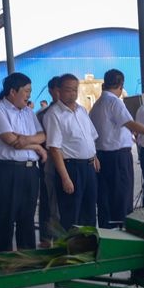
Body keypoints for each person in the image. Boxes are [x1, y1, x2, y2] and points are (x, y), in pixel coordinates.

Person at [89, 69, 144, 228]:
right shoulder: (114, 101)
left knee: (106, 198)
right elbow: (130, 123)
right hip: (117, 157)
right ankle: (121, 231)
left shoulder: (97, 103)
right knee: (121, 197)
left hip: (102, 155)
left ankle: (108, 230)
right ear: (121, 84)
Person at [0, 72, 46, 252]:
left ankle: (25, 260)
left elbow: (42, 136)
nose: (29, 95)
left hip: (29, 171)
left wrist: (29, 142)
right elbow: (11, 140)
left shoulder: (28, 112)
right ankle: (3, 262)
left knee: (26, 218)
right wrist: (36, 147)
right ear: (13, 91)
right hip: (7, 171)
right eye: (26, 91)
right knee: (6, 218)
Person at [43, 74, 100, 230]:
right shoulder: (54, 114)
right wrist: (65, 178)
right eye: (68, 90)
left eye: (75, 90)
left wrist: (94, 156)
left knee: (89, 211)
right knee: (71, 214)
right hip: (71, 168)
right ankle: (71, 250)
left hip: (88, 167)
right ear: (58, 91)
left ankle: (89, 249)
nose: (72, 93)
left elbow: (90, 136)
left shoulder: (81, 110)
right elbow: (55, 149)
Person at [36, 77, 61, 246]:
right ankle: (46, 238)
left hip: (70, 163)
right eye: (59, 90)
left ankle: (65, 237)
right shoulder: (42, 115)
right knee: (48, 202)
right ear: (51, 91)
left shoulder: (76, 111)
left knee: (63, 203)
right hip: (49, 164)